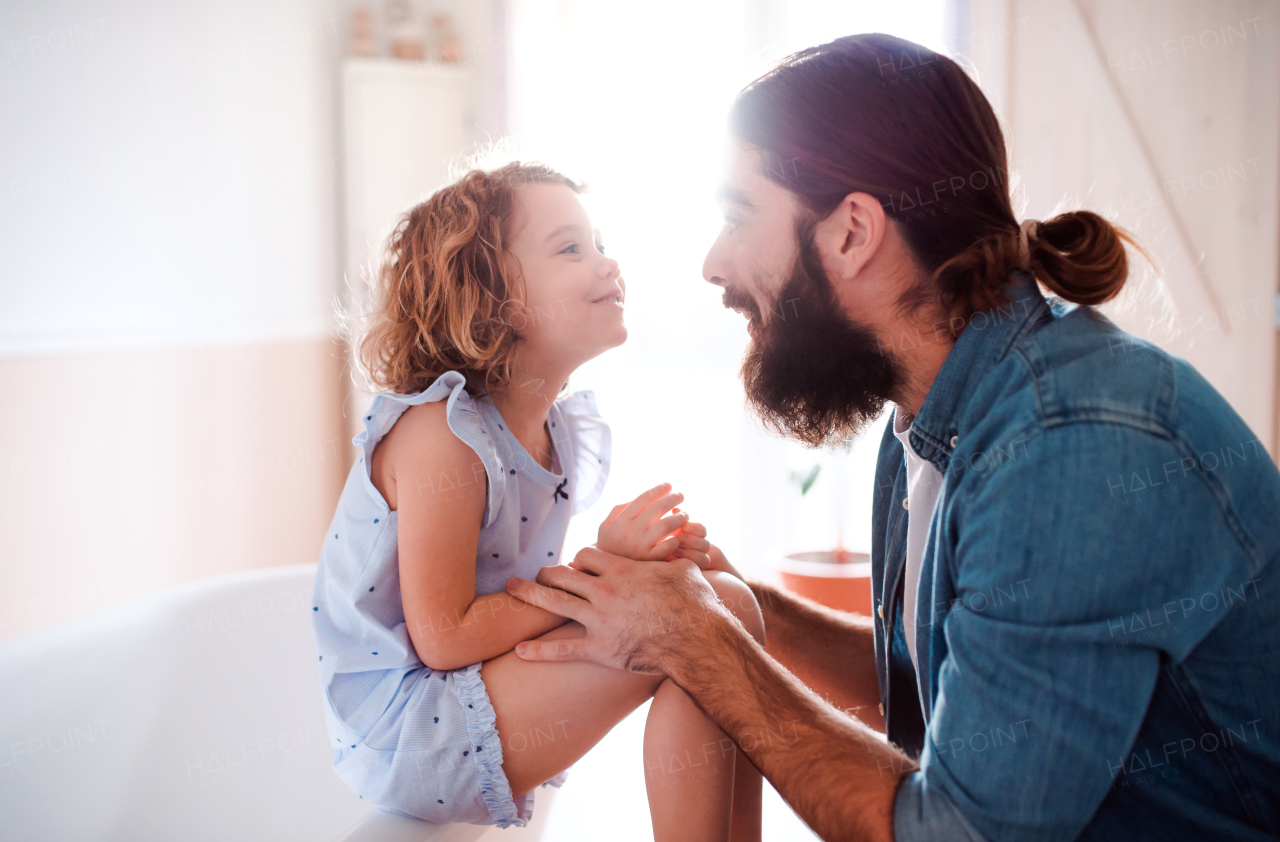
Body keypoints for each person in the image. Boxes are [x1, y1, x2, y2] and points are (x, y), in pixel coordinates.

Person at [506, 33, 1280, 841]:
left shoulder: (1066, 448)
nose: (712, 263)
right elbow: (934, 690)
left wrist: (700, 645)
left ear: (852, 233)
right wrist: (737, 605)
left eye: (737, 216)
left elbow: (954, 832)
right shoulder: (926, 413)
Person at [310, 162, 765, 840]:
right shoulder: (443, 436)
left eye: (600, 242)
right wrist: (602, 568)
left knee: (721, 603)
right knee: (710, 613)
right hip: (411, 730)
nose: (608, 264)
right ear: (491, 299)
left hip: (474, 686)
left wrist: (636, 571)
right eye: (570, 248)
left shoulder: (553, 429)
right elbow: (445, 636)